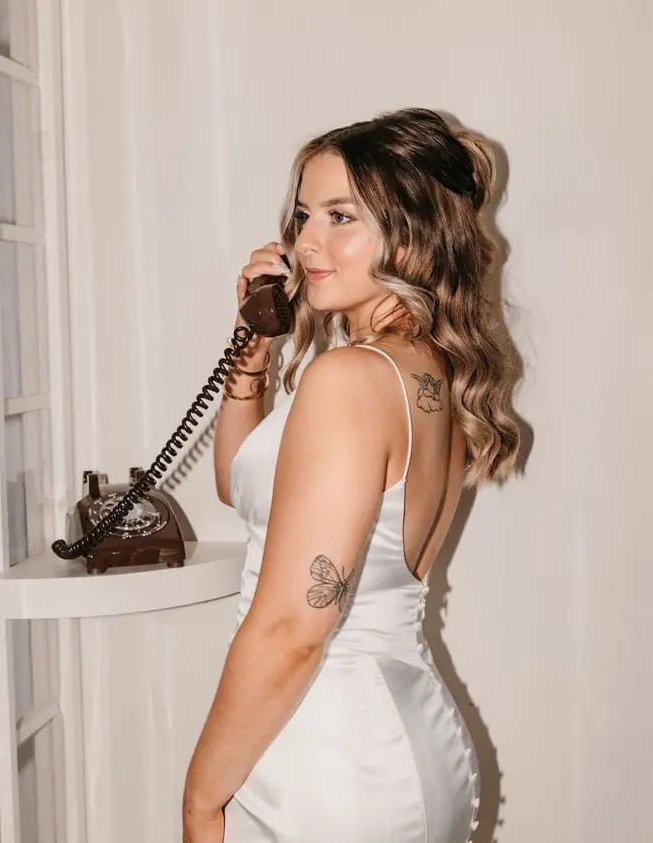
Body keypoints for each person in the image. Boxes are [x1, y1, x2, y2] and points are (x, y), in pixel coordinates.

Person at [182, 107, 522, 843]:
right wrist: (250, 355)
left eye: (341, 216)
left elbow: (293, 629)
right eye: (304, 214)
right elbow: (244, 490)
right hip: (402, 739)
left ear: (414, 232)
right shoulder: (424, 369)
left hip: (323, 755)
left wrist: (201, 797)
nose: (306, 241)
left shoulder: (348, 379)